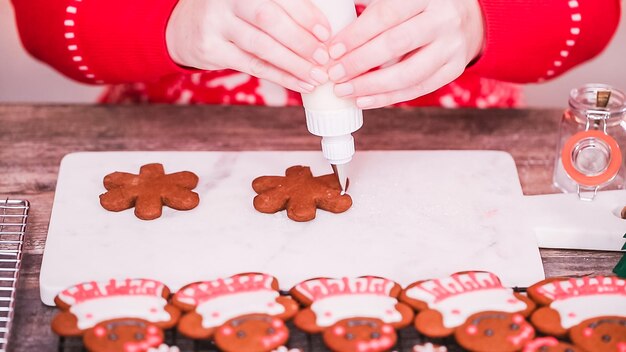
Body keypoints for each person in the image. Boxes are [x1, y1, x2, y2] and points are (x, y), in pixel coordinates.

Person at [10, 0, 621, 108]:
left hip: (462, 136)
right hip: (171, 130)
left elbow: (591, 16)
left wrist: (481, 21)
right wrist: (172, 24)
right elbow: (44, 21)